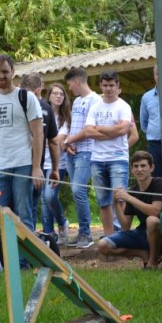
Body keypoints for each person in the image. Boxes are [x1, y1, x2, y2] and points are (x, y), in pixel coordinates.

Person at [0, 54, 44, 238]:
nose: (1, 76)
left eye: (5, 72)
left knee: (23, 214)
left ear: (13, 72)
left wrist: (36, 167)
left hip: (23, 165)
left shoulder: (26, 97)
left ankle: (24, 263)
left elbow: (38, 133)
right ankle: (4, 258)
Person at [66, 70, 132, 238]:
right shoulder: (95, 107)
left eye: (111, 85)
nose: (108, 89)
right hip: (97, 159)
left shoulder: (123, 106)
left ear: (118, 86)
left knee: (120, 199)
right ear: (101, 86)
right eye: (105, 85)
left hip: (118, 158)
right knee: (104, 202)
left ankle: (124, 238)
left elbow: (124, 129)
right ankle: (109, 239)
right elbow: (88, 131)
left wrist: (100, 128)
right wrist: (112, 131)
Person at [97, 151, 162, 268]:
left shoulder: (158, 183)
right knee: (103, 245)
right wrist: (116, 203)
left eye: (143, 166)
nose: (139, 169)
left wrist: (129, 198)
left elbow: (155, 211)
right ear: (132, 170)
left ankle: (152, 262)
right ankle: (142, 254)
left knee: (152, 221)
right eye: (136, 166)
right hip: (141, 233)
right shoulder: (133, 190)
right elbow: (125, 226)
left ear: (151, 168)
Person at [61, 67, 102, 248]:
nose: (70, 89)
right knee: (77, 192)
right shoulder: (77, 101)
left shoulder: (95, 100)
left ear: (77, 81)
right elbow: (74, 126)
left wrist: (68, 140)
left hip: (87, 152)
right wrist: (68, 144)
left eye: (70, 84)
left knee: (78, 190)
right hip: (73, 152)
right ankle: (82, 233)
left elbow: (89, 130)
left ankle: (86, 234)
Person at [20, 73, 60, 233]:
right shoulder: (47, 108)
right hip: (33, 167)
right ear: (39, 89)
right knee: (29, 210)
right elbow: (54, 141)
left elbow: (53, 141)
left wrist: (55, 169)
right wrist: (55, 169)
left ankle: (23, 249)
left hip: (26, 166)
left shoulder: (20, 103)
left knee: (23, 209)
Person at [44, 83, 71, 244]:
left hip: (58, 164)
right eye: (55, 93)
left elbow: (58, 140)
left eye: (61, 94)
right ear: (49, 96)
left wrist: (41, 142)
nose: (59, 96)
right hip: (41, 162)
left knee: (49, 196)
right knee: (44, 200)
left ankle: (62, 222)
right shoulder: (42, 115)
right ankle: (49, 235)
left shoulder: (66, 119)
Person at [140, 64, 162, 177]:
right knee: (156, 178)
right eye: (158, 74)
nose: (161, 76)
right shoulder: (146, 97)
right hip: (154, 145)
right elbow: (144, 124)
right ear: (154, 76)